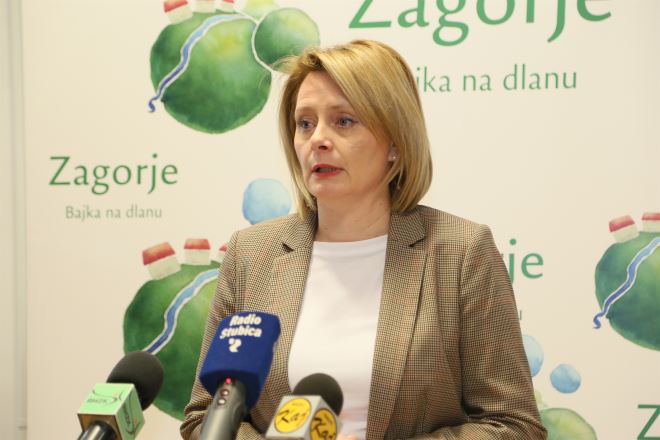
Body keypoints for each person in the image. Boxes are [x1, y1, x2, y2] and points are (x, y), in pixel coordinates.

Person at [181, 39, 546, 440]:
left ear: (395, 143)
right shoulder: (251, 254)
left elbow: (514, 426)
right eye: (305, 123)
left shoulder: (461, 252)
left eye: (344, 121)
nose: (318, 139)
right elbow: (204, 418)